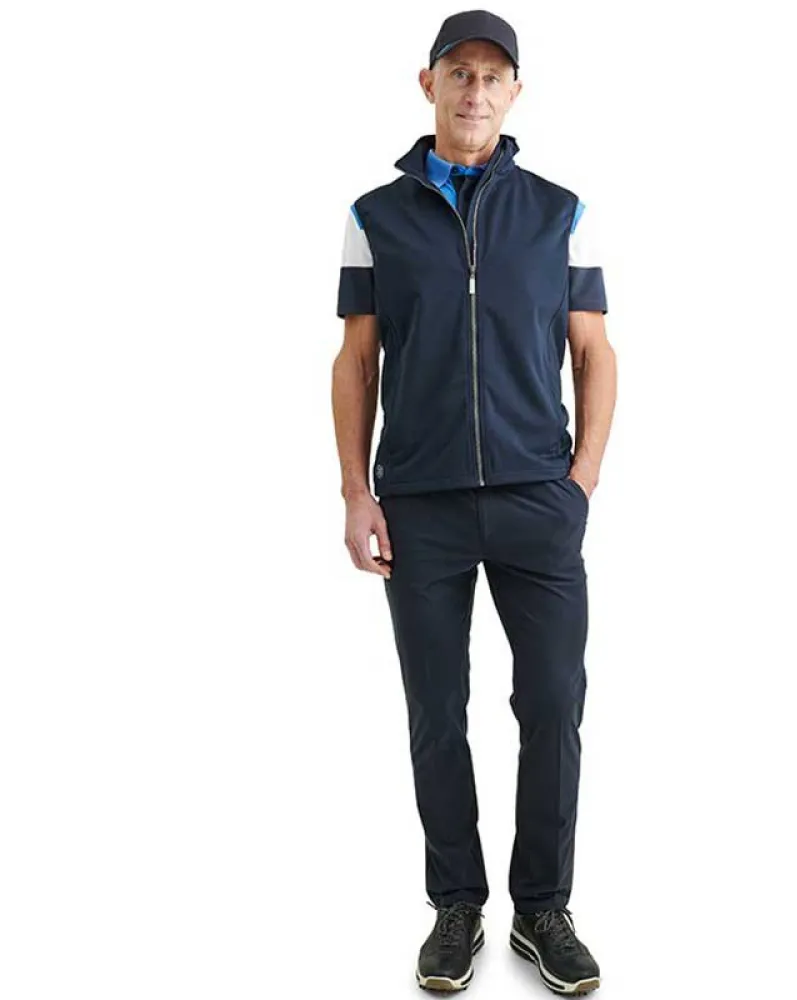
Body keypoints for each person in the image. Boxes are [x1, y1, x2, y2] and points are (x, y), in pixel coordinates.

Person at [332, 9, 617, 994]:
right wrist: (356, 490)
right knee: (435, 710)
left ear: (516, 92)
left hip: (540, 499)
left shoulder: (560, 211)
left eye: (495, 76)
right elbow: (356, 359)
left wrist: (581, 479)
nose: (476, 91)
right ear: (429, 84)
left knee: (553, 703)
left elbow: (594, 350)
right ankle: (456, 905)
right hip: (420, 502)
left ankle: (543, 909)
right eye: (460, 72)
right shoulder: (374, 216)